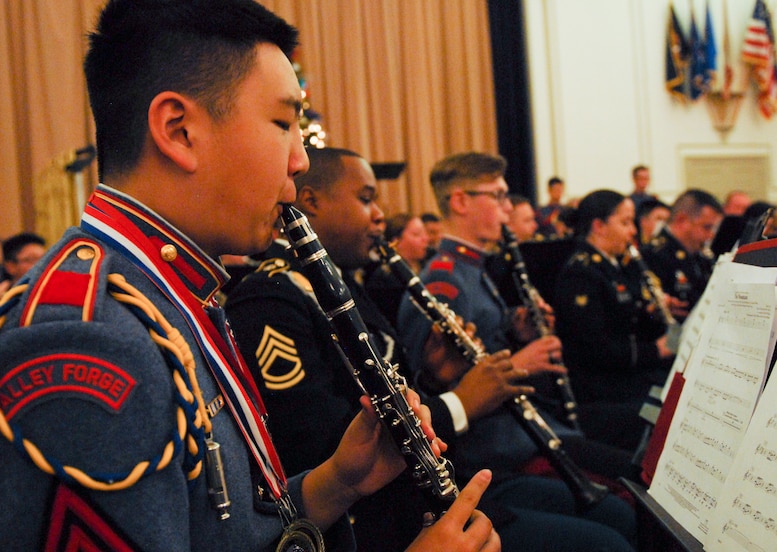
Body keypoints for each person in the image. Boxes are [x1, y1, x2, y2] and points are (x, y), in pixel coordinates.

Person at [0, 3, 499, 551]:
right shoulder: (82, 338)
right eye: (284, 123)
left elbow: (219, 531)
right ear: (179, 130)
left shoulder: (173, 290)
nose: (300, 160)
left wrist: (336, 482)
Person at [228, 147, 634, 551]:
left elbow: (386, 387)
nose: (380, 215)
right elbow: (322, 446)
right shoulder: (273, 299)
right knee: (607, 540)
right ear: (311, 201)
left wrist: (432, 377)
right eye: (366, 198)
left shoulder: (339, 283)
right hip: (383, 524)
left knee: (615, 517)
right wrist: (461, 402)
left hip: (430, 493)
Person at [397, 151, 638, 550]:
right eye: (499, 196)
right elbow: (434, 385)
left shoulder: (474, 269)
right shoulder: (442, 283)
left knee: (627, 483)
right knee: (622, 505)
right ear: (460, 201)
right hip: (491, 452)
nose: (508, 208)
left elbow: (480, 342)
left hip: (516, 434)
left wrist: (515, 326)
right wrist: (520, 364)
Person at [552, 190, 671, 450]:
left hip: (621, 375)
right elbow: (597, 351)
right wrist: (656, 350)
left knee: (676, 390)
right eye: (625, 222)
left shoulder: (613, 265)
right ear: (599, 226)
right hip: (598, 389)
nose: (633, 232)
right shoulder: (581, 273)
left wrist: (653, 312)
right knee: (668, 409)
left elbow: (628, 319)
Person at [641, 189, 723, 323]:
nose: (711, 235)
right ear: (681, 220)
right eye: (706, 227)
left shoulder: (701, 255)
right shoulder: (652, 255)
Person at [365, 212, 431, 326]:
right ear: (396, 241)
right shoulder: (385, 279)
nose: (426, 239)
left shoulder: (427, 266)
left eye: (425, 233)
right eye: (417, 234)